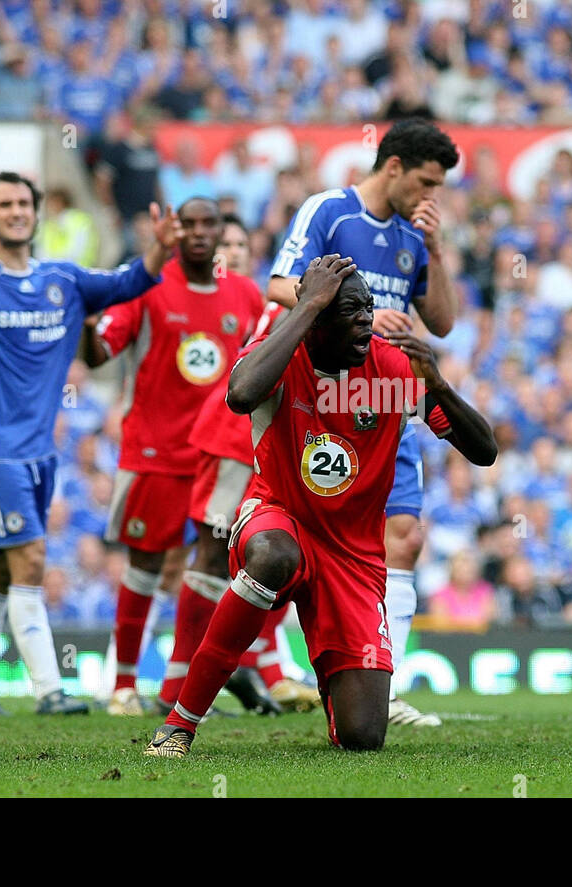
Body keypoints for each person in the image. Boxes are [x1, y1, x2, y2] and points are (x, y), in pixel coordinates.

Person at [145, 255, 496, 758]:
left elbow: (484, 453)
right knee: (273, 557)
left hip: (353, 555)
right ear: (315, 317)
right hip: (277, 517)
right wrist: (306, 303)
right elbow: (240, 395)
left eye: (369, 308)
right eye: (350, 310)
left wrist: (438, 386)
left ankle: (336, 688)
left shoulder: (393, 369)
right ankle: (180, 723)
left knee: (363, 737)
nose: (366, 320)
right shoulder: (280, 355)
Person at [0, 171, 174, 715]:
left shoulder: (64, 279)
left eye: (25, 202)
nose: (17, 211)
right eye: (5, 204)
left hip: (41, 454)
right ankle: (50, 690)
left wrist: (160, 249)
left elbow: (128, 283)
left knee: (2, 567)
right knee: (30, 558)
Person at [267, 117, 460, 728]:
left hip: (387, 397)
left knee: (406, 536)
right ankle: (275, 665)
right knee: (305, 540)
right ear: (394, 166)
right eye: (426, 183)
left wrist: (434, 248)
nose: (431, 196)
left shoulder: (413, 233)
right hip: (322, 402)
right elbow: (277, 286)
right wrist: (363, 319)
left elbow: (444, 322)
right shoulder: (332, 210)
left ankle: (385, 678)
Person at [79, 198, 263, 717]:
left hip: (220, 455)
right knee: (144, 564)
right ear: (174, 231)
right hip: (155, 452)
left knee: (213, 566)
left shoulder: (245, 294)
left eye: (212, 225)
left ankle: (178, 690)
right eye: (191, 224)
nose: (202, 234)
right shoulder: (148, 288)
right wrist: (84, 323)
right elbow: (99, 352)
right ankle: (122, 686)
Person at [181, 214, 317, 712]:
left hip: (263, 446)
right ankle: (176, 682)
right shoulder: (263, 304)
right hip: (228, 440)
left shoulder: (263, 303)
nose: (234, 252)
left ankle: (263, 668)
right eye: (226, 244)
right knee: (210, 556)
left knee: (274, 557)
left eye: (243, 244)